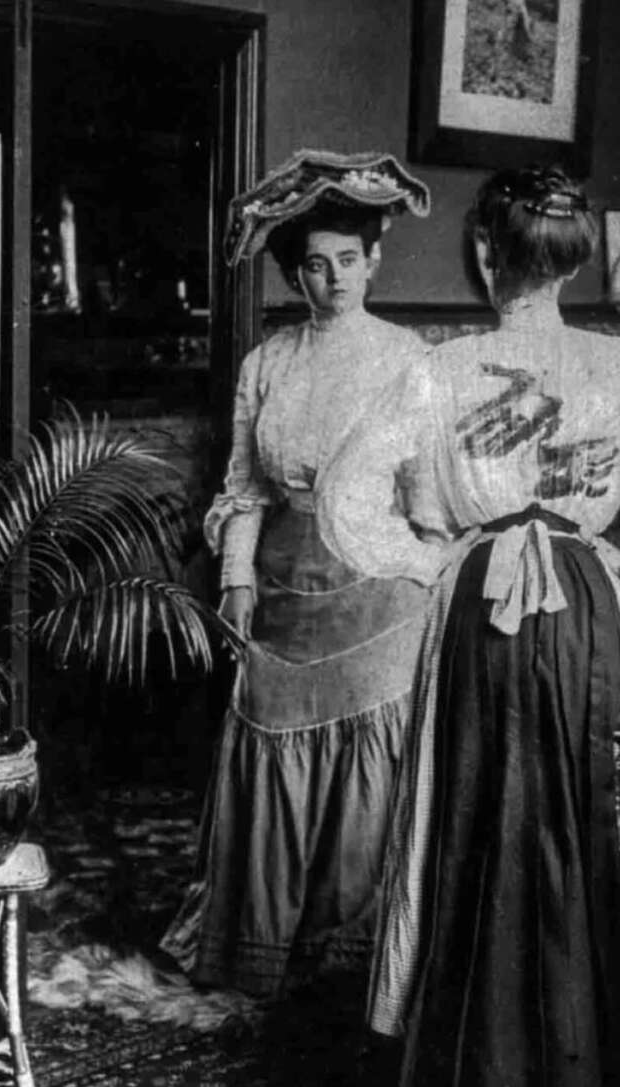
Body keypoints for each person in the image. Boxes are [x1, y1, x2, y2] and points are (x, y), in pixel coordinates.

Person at [317, 165, 620, 1087]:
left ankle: (473, 1083)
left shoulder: (436, 368)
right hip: (589, 610)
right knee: (583, 818)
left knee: (471, 818)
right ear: (573, 259)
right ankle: (585, 1080)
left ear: (483, 255)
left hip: (478, 611)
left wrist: (432, 558)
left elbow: (345, 500)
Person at [160, 150, 434, 1000]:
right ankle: (262, 950)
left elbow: (425, 499)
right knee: (271, 746)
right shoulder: (267, 363)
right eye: (316, 265)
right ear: (294, 273)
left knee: (372, 767)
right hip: (282, 586)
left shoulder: (408, 358)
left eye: (350, 260)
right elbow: (243, 486)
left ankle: (351, 952)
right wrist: (236, 577)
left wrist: (431, 578)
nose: (335, 279)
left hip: (382, 590)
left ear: (374, 261)